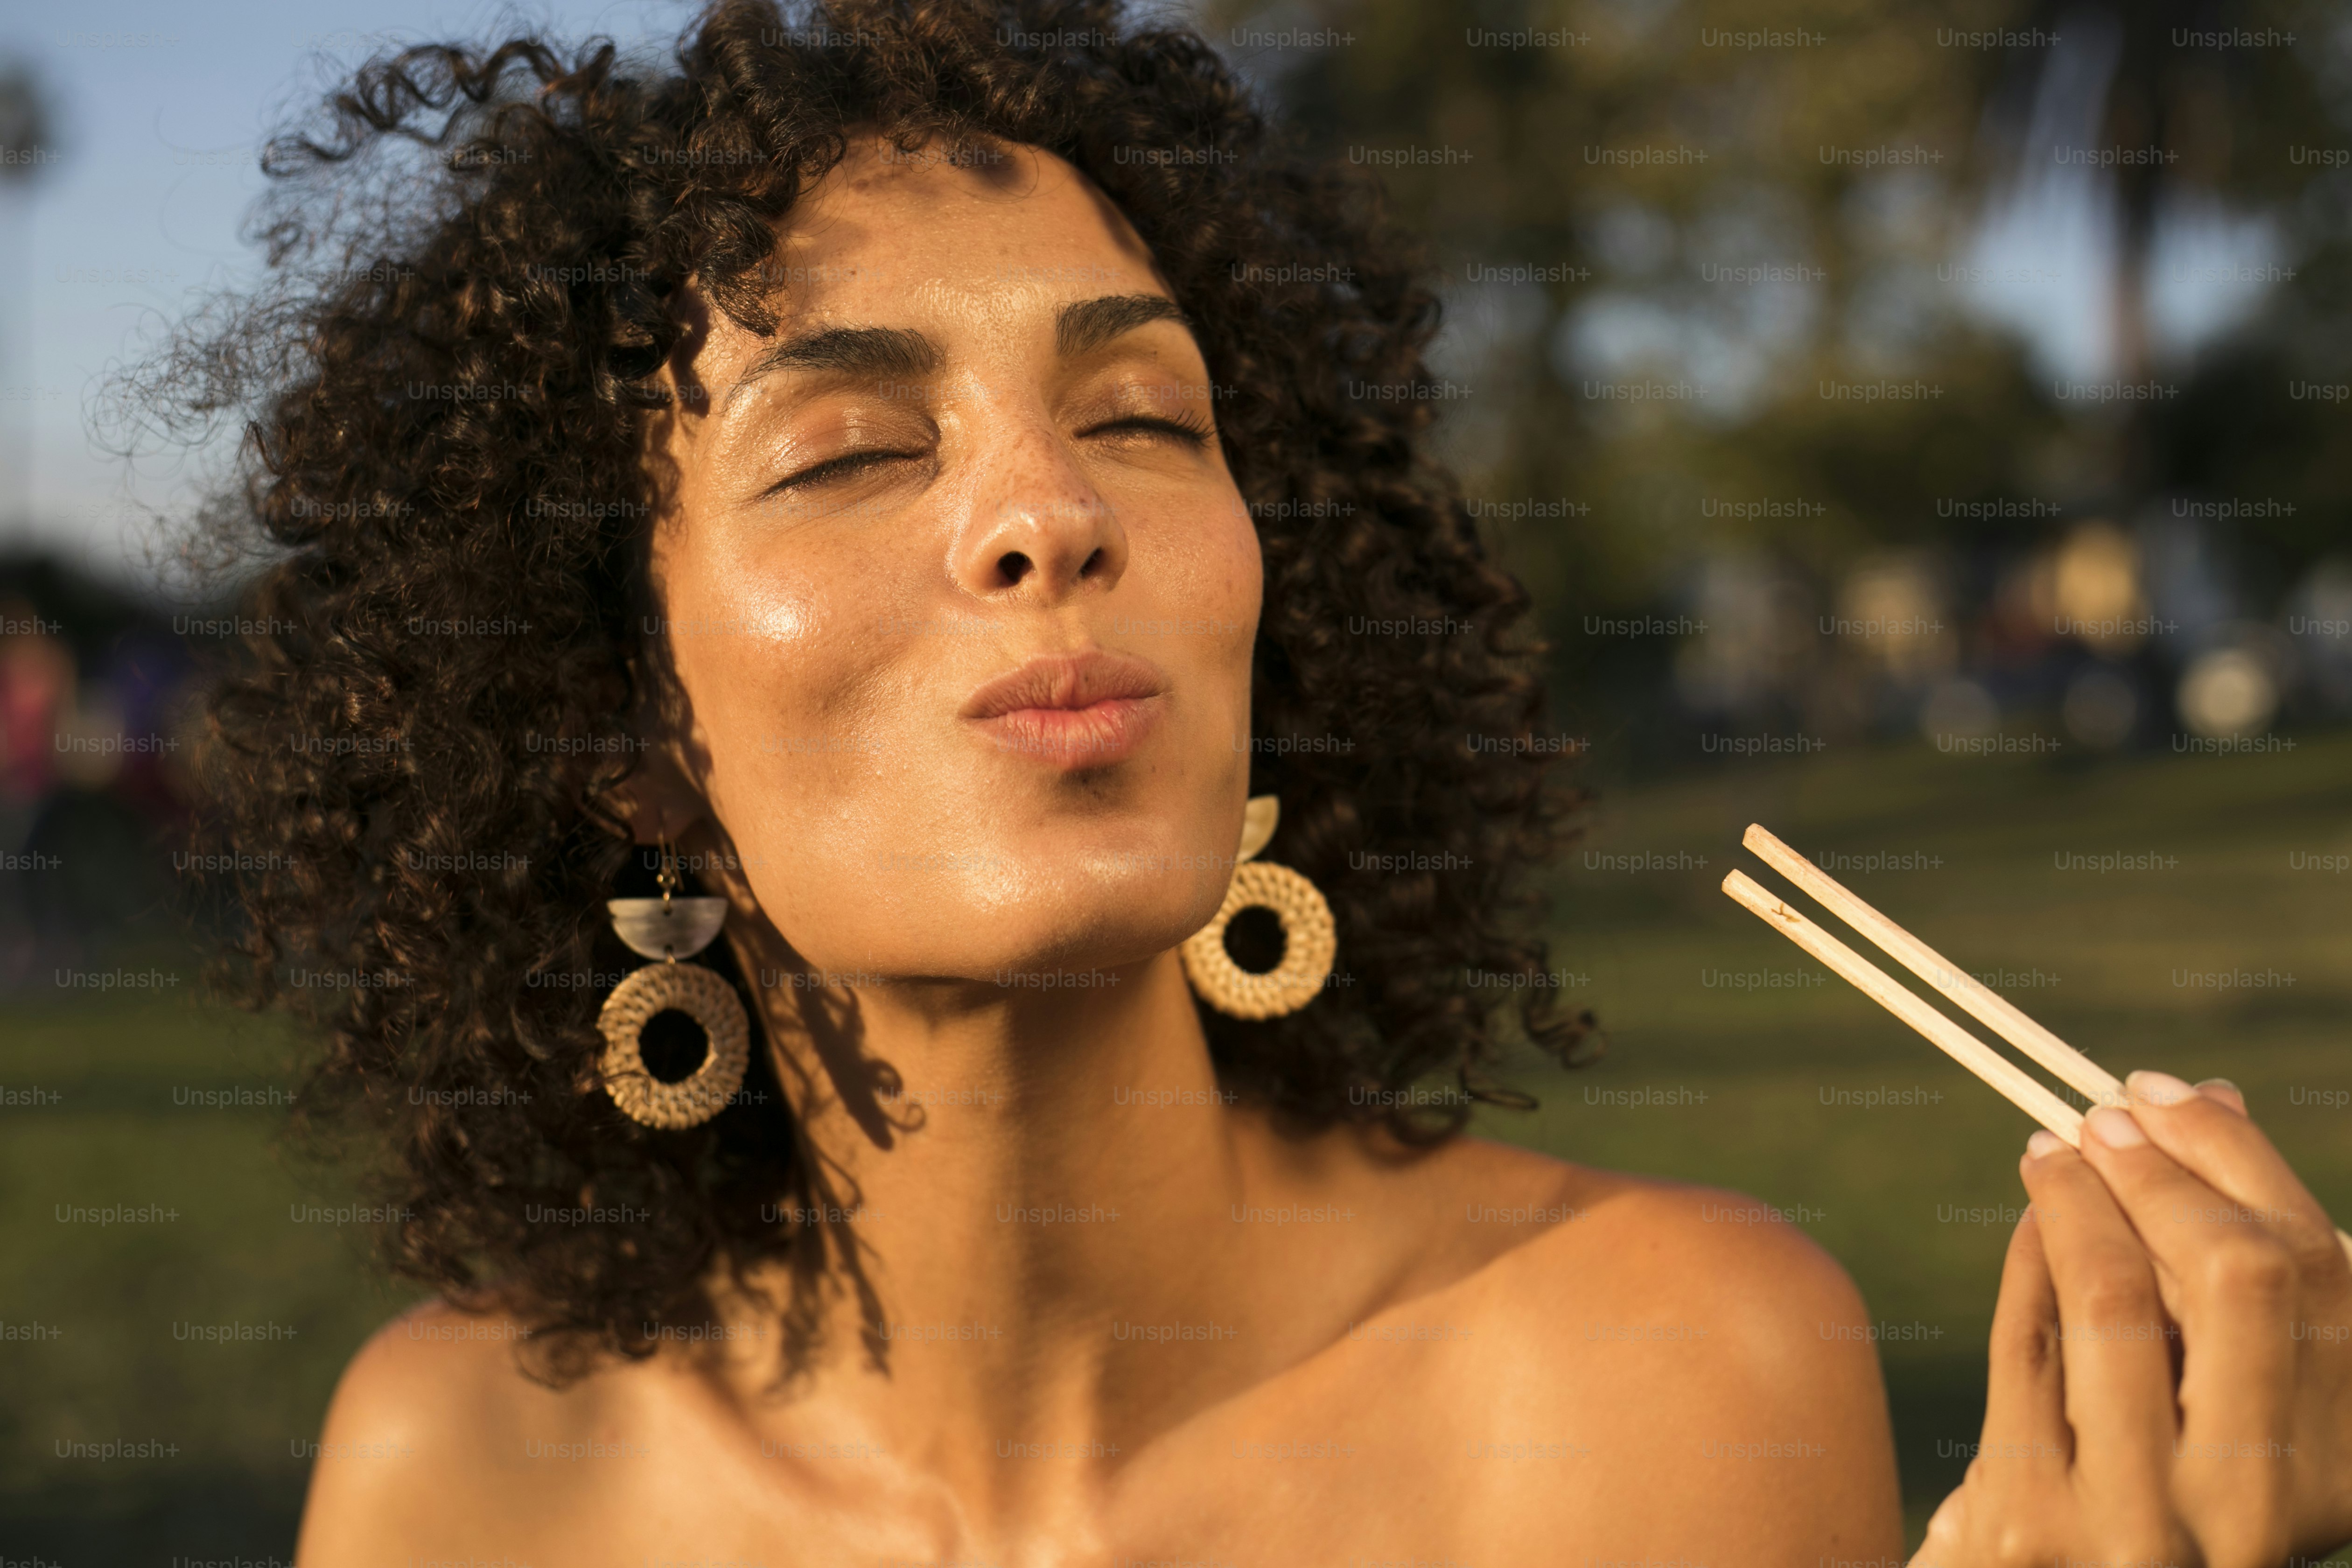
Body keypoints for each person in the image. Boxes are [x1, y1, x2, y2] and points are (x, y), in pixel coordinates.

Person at [146, 2, 2350, 1562]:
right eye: (846, 447)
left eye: (1144, 416)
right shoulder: (458, 1481)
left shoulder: (1668, 1378)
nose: (1047, 512)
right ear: (617, 733)